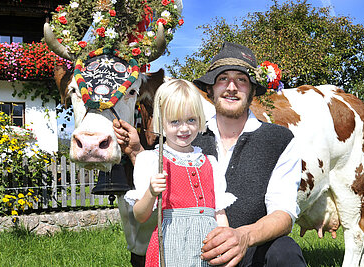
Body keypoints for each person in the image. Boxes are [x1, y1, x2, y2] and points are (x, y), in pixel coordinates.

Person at [114, 42, 306, 266]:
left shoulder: (278, 140)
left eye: (242, 80)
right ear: (210, 89)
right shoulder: (189, 137)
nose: (231, 87)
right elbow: (164, 170)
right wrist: (137, 151)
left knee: (285, 252)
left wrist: (243, 237)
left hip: (253, 250)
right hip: (197, 249)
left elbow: (283, 214)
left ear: (253, 90)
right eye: (223, 78)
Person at [122, 79, 236, 267]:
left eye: (191, 120)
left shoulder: (210, 163)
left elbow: (220, 214)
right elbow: (140, 216)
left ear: (199, 119)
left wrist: (225, 248)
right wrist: (151, 193)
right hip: (170, 248)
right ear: (161, 122)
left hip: (208, 248)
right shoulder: (151, 161)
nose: (184, 128)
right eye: (174, 121)